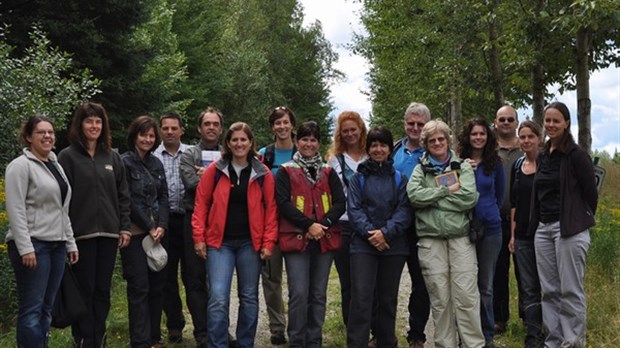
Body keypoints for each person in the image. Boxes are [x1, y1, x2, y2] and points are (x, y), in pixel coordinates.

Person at [192, 122, 278, 348]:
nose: (239, 144)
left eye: (244, 139)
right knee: (218, 297)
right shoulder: (215, 170)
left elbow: (271, 209)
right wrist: (198, 237)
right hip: (219, 244)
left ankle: (245, 343)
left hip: (250, 243)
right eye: (235, 140)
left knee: (249, 297)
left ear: (251, 143)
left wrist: (269, 242)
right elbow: (201, 204)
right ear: (228, 143)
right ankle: (217, 344)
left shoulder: (262, 173)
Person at [58, 102, 131, 348]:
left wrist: (124, 226)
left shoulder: (112, 157)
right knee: (84, 289)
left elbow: (123, 194)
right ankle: (82, 338)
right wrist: (67, 236)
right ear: (80, 125)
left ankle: (98, 337)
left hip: (109, 234)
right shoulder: (66, 157)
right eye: (89, 121)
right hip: (81, 235)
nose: (94, 126)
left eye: (98, 122)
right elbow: (61, 199)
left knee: (102, 289)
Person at [407, 120, 484, 348]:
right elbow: (414, 197)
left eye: (441, 139)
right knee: (440, 298)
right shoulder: (420, 170)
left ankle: (473, 344)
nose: (438, 143)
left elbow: (469, 198)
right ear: (426, 145)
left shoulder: (463, 166)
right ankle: (445, 344)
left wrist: (432, 200)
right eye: (432, 141)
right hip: (431, 241)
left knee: (466, 296)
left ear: (448, 140)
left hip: (460, 239)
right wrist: (444, 191)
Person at [5, 115, 79, 348]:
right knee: (32, 308)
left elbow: (61, 208)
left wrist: (70, 243)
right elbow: (15, 209)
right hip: (33, 246)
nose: (47, 136)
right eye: (41, 132)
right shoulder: (20, 166)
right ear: (28, 137)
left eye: (51, 132)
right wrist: (25, 247)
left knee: (48, 308)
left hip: (56, 245)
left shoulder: (55, 165)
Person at [275, 121, 345, 348]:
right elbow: (283, 203)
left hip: (324, 238)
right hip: (296, 238)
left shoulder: (328, 171)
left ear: (318, 143)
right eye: (304, 139)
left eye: (313, 140)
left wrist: (322, 225)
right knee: (299, 293)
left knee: (318, 294)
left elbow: (340, 203)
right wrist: (308, 226)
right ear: (297, 141)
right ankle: (297, 340)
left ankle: (314, 340)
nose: (308, 144)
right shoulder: (286, 170)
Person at [533, 102, 597, 347]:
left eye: (556, 121)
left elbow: (591, 193)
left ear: (567, 123)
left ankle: (571, 342)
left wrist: (578, 217)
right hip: (544, 229)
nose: (550, 125)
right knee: (549, 291)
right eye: (547, 120)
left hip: (569, 229)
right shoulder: (543, 154)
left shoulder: (576, 155)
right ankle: (554, 341)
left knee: (570, 290)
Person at [346, 126, 412, 348]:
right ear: (368, 148)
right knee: (362, 298)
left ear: (389, 149)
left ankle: (386, 342)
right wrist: (371, 234)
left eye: (383, 145)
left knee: (387, 300)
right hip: (362, 246)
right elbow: (354, 210)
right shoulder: (358, 178)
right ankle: (357, 343)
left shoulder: (400, 179)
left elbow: (404, 211)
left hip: (393, 246)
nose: (378, 149)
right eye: (374, 145)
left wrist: (386, 232)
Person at [121, 116, 169, 348]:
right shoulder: (124, 163)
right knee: (139, 287)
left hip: (157, 235)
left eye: (151, 136)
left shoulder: (156, 163)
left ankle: (154, 338)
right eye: (143, 135)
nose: (147, 139)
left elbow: (163, 197)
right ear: (134, 136)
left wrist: (161, 225)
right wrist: (148, 227)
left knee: (157, 286)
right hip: (135, 234)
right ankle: (139, 341)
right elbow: (126, 200)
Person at [458, 118, 505, 347]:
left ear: (488, 137)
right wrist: (464, 168)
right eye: (474, 134)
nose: (478, 137)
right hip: (464, 229)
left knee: (485, 286)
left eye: (482, 134)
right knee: (465, 285)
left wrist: (488, 212)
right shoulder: (458, 162)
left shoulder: (495, 163)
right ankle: (466, 334)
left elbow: (500, 195)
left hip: (491, 229)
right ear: (468, 137)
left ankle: (486, 336)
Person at [179, 107, 223, 347]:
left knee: (220, 279)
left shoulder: (229, 152)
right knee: (194, 277)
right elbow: (191, 184)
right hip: (193, 218)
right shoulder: (189, 155)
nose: (211, 127)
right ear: (199, 128)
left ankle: (221, 330)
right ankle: (202, 332)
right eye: (207, 123)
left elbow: (236, 185)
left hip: (223, 221)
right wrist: (217, 177)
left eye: (215, 124)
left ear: (221, 127)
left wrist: (207, 175)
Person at [391, 102, 431, 348]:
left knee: (421, 284)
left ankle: (417, 334)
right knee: (387, 284)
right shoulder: (392, 149)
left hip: (423, 226)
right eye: (411, 123)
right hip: (395, 226)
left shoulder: (435, 151)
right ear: (404, 124)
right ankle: (383, 333)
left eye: (420, 124)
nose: (415, 128)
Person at [257, 106, 297, 345]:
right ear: (272, 127)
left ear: (292, 124)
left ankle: (297, 324)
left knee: (297, 279)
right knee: (271, 279)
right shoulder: (264, 154)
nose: (282, 127)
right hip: (269, 225)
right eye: (277, 123)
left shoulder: (303, 151)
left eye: (285, 122)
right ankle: (276, 327)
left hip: (295, 226)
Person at [325, 110, 368, 328]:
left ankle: (372, 328)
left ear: (361, 131)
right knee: (348, 282)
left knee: (368, 283)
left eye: (354, 129)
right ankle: (352, 329)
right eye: (345, 131)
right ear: (340, 134)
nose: (350, 134)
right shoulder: (334, 160)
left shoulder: (372, 155)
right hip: (343, 225)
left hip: (369, 225)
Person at [153, 112, 190, 344]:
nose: (169, 132)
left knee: (193, 275)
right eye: (165, 128)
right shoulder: (153, 155)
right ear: (160, 130)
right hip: (163, 222)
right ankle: (174, 324)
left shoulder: (192, 153)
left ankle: (203, 327)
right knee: (167, 276)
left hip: (188, 219)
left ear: (181, 130)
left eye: (173, 128)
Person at [508, 121, 544, 347]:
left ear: (539, 139)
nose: (526, 141)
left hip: (545, 235)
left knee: (548, 286)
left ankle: (551, 329)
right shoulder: (517, 165)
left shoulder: (548, 165)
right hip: (521, 236)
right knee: (528, 286)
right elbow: (514, 203)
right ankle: (533, 334)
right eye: (522, 137)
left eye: (531, 136)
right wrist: (512, 236)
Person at [492, 105, 522, 334]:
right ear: (495, 122)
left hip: (524, 220)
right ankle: (500, 319)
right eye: (501, 119)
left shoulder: (527, 147)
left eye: (510, 119)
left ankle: (529, 318)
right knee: (499, 272)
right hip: (497, 219)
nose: (506, 122)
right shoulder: (489, 151)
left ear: (517, 122)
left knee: (525, 273)